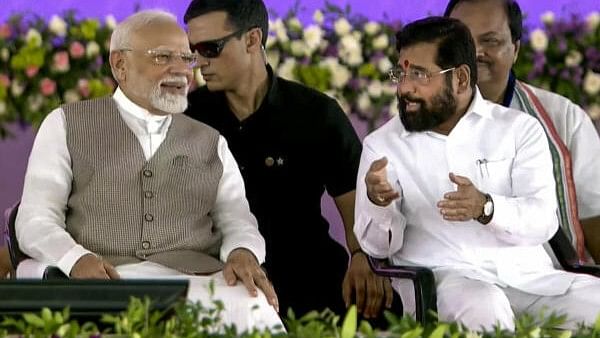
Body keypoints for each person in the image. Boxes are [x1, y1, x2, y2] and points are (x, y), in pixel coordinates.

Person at [15, 10, 282, 333]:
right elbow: (34, 220)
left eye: (186, 58)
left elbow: (237, 220)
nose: (181, 70)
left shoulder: (211, 141)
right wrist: (75, 260)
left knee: (252, 303)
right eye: (163, 57)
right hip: (106, 280)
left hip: (197, 281)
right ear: (119, 65)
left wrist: (243, 252)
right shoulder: (66, 124)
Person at [354, 16, 600, 331]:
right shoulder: (382, 146)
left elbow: (543, 221)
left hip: (530, 279)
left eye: (419, 74)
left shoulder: (518, 129)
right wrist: (378, 201)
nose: (404, 88)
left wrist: (487, 208)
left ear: (460, 78)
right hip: (448, 284)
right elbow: (377, 249)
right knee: (485, 309)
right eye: (400, 74)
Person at [183, 0, 397, 320]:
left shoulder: (315, 112)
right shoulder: (188, 117)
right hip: (225, 278)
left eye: (210, 48)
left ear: (252, 40)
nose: (199, 62)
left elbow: (355, 203)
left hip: (311, 274)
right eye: (193, 50)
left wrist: (362, 257)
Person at [444, 0, 600, 263]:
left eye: (490, 41)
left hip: (556, 284)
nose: (475, 53)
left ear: (515, 49)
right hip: (460, 284)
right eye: (463, 41)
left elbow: (595, 218)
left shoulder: (564, 119)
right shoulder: (420, 123)